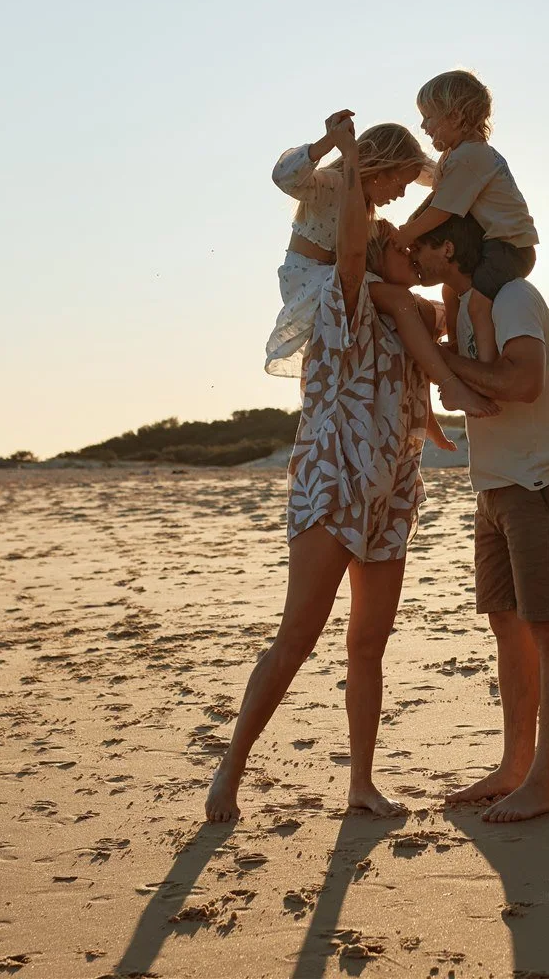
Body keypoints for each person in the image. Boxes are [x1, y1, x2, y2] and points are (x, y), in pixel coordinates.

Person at [207, 111, 442, 823]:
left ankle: (361, 784)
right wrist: (346, 162)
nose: (407, 245)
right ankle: (231, 768)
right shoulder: (342, 308)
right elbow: (345, 250)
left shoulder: (403, 324)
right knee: (296, 642)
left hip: (391, 496)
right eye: (395, 243)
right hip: (331, 487)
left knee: (368, 645)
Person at [409, 212, 549, 823]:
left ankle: (544, 780)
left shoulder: (513, 297)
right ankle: (516, 767)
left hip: (540, 482)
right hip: (493, 488)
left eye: (422, 246)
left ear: (449, 245)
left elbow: (524, 383)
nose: (415, 256)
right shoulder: (465, 307)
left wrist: (448, 365)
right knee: (507, 628)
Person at [265, 112, 484, 437]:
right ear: (380, 169)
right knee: (399, 301)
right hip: (309, 282)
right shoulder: (336, 184)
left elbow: (434, 176)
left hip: (333, 276)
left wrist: (465, 154)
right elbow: (284, 177)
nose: (403, 193)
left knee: (416, 312)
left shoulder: (363, 201)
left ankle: (424, 408)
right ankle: (448, 384)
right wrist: (331, 144)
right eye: (401, 183)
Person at [392, 69, 538, 366]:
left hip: (510, 247)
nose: (424, 125)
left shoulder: (471, 156)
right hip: (494, 241)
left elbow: (441, 209)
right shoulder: (456, 156)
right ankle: (459, 348)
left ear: (455, 116)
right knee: (450, 291)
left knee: (479, 305)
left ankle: (484, 365)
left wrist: (406, 234)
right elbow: (436, 189)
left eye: (429, 117)